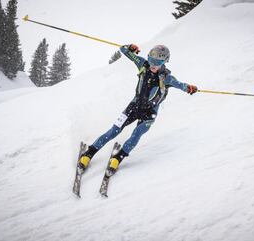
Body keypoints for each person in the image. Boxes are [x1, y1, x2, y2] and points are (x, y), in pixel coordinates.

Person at [78, 44, 198, 176]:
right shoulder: (142, 64)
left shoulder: (167, 78)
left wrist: (189, 88)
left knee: (136, 134)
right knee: (114, 130)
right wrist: (130, 47)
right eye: (151, 60)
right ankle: (89, 153)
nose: (153, 64)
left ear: (164, 62)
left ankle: (118, 158)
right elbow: (123, 50)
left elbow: (181, 85)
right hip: (134, 106)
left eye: (158, 62)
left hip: (149, 113)